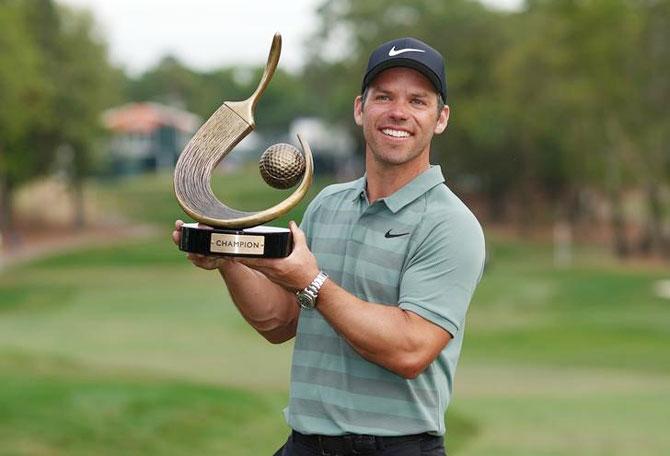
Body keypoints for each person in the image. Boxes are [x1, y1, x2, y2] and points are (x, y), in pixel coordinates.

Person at [172, 37, 485, 456]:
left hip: (396, 447)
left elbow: (410, 350)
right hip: (306, 443)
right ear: (360, 108)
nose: (398, 112)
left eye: (418, 101)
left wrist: (311, 282)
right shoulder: (327, 205)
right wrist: (228, 256)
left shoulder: (451, 223)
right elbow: (279, 322)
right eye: (384, 97)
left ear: (440, 118)